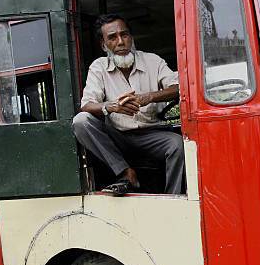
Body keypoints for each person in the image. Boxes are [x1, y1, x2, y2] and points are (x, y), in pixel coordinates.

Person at [72, 14, 183, 195]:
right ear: (103, 45)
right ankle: (125, 172)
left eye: (124, 35)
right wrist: (112, 106)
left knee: (177, 144)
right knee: (81, 121)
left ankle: (173, 198)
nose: (121, 42)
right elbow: (87, 105)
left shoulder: (152, 61)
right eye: (112, 37)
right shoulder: (99, 67)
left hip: (151, 135)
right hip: (118, 137)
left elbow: (179, 88)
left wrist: (150, 97)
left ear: (131, 38)